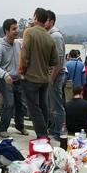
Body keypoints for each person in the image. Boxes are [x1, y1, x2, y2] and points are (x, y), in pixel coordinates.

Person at [19, 8, 59, 139]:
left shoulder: (29, 32)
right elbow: (55, 62)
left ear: (35, 17)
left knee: (34, 109)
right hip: (44, 79)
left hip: (31, 78)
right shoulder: (50, 37)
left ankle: (42, 136)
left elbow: (24, 56)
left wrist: (22, 72)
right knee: (43, 106)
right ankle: (45, 131)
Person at [0, 18, 28, 138]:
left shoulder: (18, 44)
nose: (16, 31)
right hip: (6, 80)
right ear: (6, 31)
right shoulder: (0, 47)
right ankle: (2, 128)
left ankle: (20, 126)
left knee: (20, 104)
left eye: (17, 28)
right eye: (13, 29)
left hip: (18, 79)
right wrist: (4, 74)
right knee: (9, 103)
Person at [45, 10, 67, 140]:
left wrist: (51, 79)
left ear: (51, 21)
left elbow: (57, 61)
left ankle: (60, 132)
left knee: (57, 105)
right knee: (52, 104)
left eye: (45, 20)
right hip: (53, 74)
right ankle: (53, 129)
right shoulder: (50, 35)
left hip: (56, 75)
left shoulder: (56, 36)